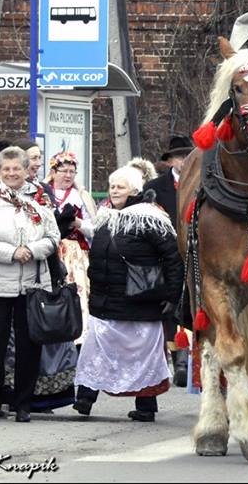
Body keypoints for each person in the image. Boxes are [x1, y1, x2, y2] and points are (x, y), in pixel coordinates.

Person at [72, 164, 183, 422]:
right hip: (105, 298)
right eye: (112, 186)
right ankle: (85, 398)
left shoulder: (151, 217)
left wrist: (172, 295)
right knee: (96, 348)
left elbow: (172, 258)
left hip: (141, 299)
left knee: (144, 354)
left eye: (120, 187)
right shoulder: (106, 216)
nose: (114, 191)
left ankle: (146, 406)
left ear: (134, 190)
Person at [0, 146, 60, 423]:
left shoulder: (40, 199)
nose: (11, 173)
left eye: (16, 168)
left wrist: (31, 250)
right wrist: (11, 253)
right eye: (6, 169)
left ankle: (23, 403)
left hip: (32, 284)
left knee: (29, 344)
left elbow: (53, 236)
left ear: (25, 170)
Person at [47, 151, 97, 346]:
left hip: (75, 252)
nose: (68, 175)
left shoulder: (80, 197)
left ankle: (78, 337)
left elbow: (93, 229)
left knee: (77, 293)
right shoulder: (44, 194)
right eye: (63, 171)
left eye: (72, 171)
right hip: (51, 249)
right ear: (53, 172)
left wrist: (77, 223)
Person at [143, 135, 193, 228]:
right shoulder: (153, 188)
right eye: (180, 157)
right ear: (170, 161)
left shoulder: (205, 184)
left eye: (189, 156)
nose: (186, 161)